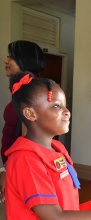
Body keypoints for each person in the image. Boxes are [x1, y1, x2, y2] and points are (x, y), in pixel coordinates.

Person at [5, 71, 91, 219]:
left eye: (65, 105)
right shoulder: (26, 159)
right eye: (57, 106)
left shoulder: (58, 148)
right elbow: (55, 217)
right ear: (30, 114)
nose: (67, 112)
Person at [0, 40, 46, 202]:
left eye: (11, 57)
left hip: (21, 167)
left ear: (24, 61)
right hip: (14, 165)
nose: (6, 61)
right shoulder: (21, 90)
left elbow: (28, 142)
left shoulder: (31, 93)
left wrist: (7, 170)